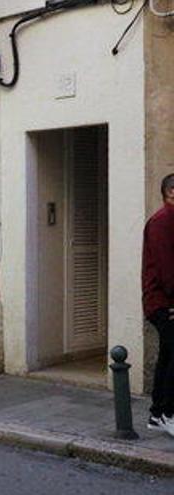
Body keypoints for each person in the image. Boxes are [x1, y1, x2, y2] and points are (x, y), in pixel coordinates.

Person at [143, 173, 174, 435]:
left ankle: (156, 414)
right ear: (170, 193)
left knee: (167, 355)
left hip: (166, 301)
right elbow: (167, 270)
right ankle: (167, 413)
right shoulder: (162, 222)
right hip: (163, 302)